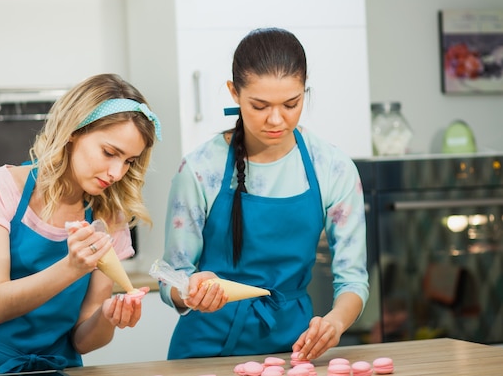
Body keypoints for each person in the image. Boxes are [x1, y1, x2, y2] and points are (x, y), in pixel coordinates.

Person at [158, 28, 369, 361]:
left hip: (295, 349)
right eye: (259, 105)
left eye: (291, 104)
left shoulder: (332, 167)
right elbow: (172, 275)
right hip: (204, 351)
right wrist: (191, 292)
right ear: (234, 93)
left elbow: (353, 278)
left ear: (305, 90)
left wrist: (334, 323)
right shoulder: (200, 169)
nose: (276, 119)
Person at [0, 73, 162, 376]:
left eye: (129, 161)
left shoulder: (109, 217)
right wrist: (72, 267)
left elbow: (83, 340)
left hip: (58, 368)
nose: (116, 172)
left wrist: (108, 317)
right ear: (73, 131)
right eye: (110, 152)